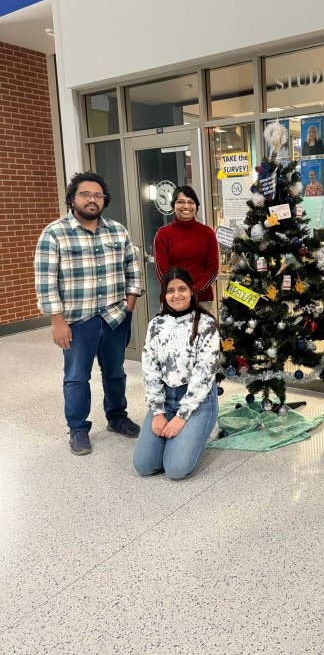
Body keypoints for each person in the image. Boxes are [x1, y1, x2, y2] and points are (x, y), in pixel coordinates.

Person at [34, 171, 144, 456]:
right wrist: (57, 322)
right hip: (77, 320)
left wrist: (129, 306)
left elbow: (133, 270)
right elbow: (46, 282)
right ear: (72, 198)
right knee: (76, 377)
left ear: (105, 200)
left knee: (116, 373)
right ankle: (78, 429)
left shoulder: (117, 231)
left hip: (116, 317)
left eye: (98, 195)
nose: (92, 200)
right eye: (85, 194)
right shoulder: (54, 233)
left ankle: (117, 417)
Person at [133, 268, 219, 480]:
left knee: (176, 469)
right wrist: (158, 412)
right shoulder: (156, 324)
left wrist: (182, 417)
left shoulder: (206, 325)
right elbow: (150, 368)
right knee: (144, 465)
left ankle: (198, 429)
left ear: (191, 291)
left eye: (182, 289)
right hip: (166, 398)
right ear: (164, 295)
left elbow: (204, 373)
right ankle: (177, 437)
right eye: (170, 290)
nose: (176, 295)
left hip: (197, 401)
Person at [153, 185, 219, 313]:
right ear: (173, 206)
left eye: (191, 202)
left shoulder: (208, 233)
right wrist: (177, 291)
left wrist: (193, 291)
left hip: (201, 299)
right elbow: (161, 271)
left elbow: (213, 269)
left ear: (196, 207)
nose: (186, 206)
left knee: (201, 332)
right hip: (173, 299)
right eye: (180, 202)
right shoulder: (163, 233)